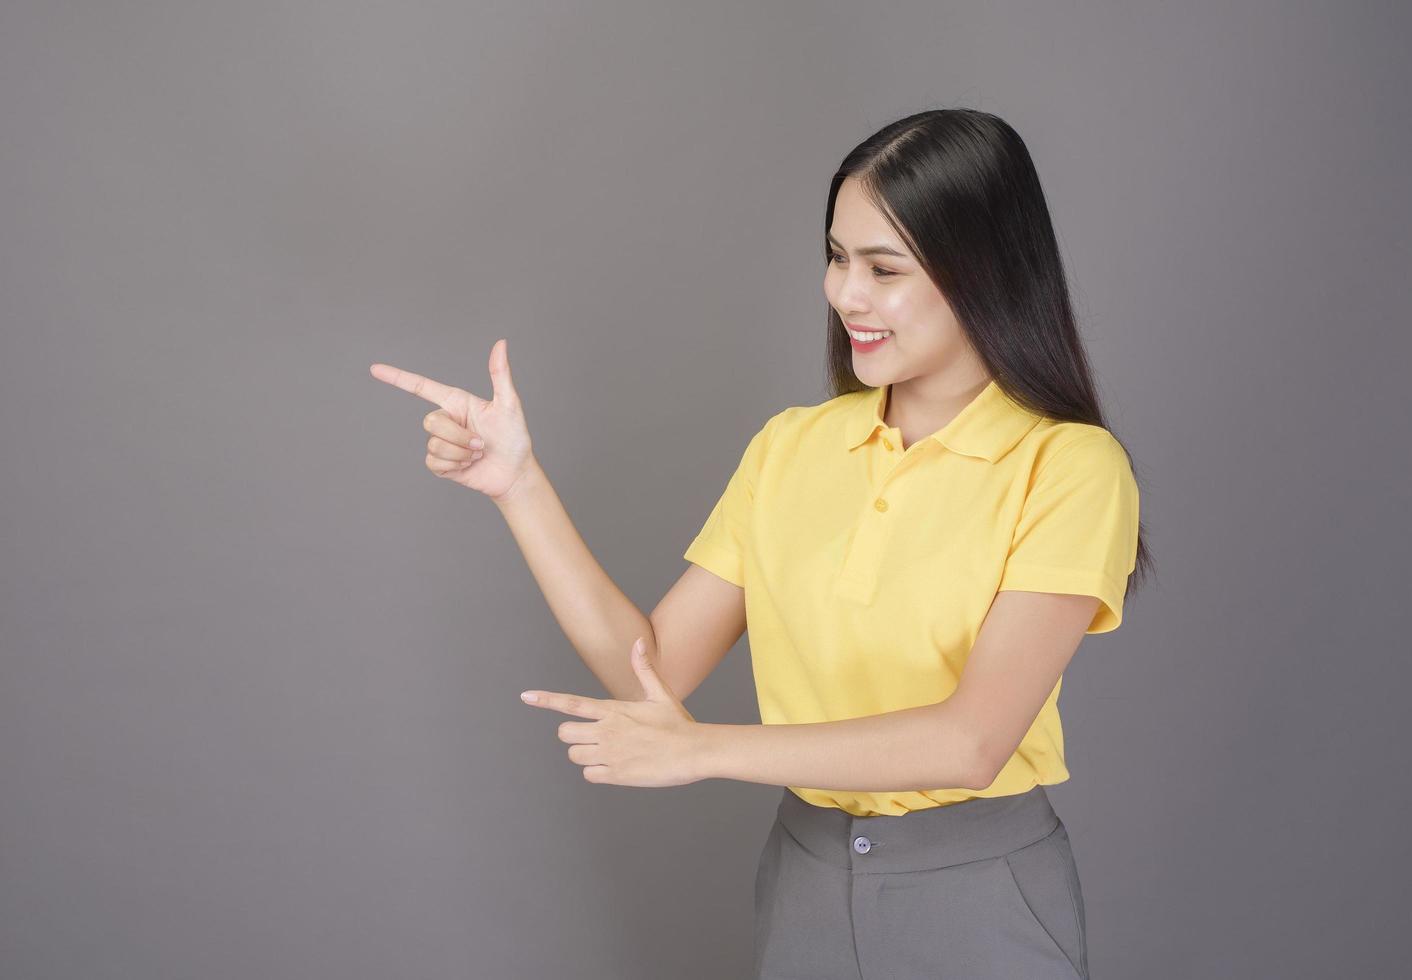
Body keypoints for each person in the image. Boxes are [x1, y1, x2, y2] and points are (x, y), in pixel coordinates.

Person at [370, 106, 1150, 980]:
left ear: (984, 272)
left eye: (883, 267)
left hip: (979, 894)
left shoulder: (1071, 467)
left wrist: (702, 751)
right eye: (836, 256)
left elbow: (972, 741)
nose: (846, 293)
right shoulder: (793, 446)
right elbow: (649, 668)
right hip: (804, 882)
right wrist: (518, 487)